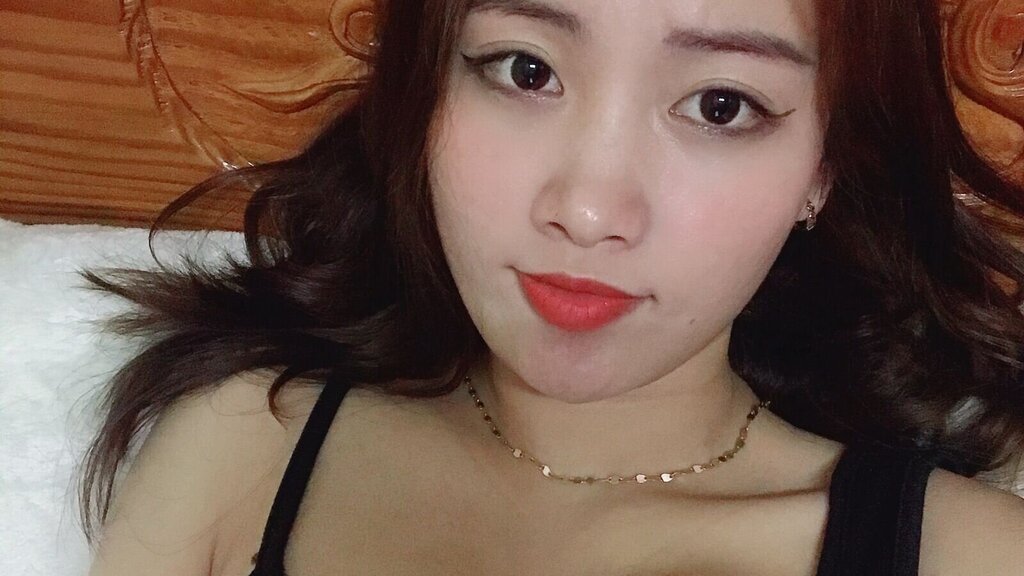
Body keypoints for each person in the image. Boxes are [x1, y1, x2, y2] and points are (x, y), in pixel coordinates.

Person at [80, 0, 1024, 574]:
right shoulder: (246, 444)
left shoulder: (975, 556)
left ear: (824, 169)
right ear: (424, 94)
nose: (587, 208)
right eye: (525, 70)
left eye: (720, 104)